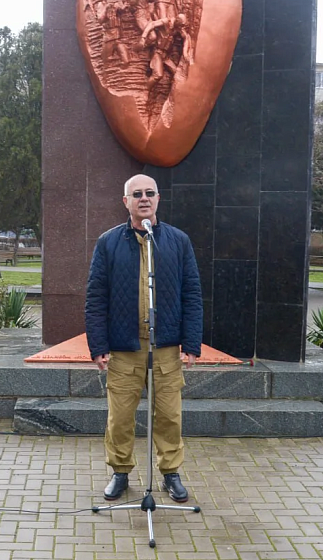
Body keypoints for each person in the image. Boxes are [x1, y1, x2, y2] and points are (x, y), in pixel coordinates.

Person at [85, 174, 202, 503]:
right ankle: (120, 472)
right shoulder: (109, 243)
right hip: (125, 350)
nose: (144, 198)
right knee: (120, 418)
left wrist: (191, 344)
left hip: (165, 349)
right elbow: (96, 298)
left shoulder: (177, 241)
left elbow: (192, 294)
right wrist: (98, 346)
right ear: (126, 202)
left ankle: (171, 474)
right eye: (136, 194)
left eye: (149, 193)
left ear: (158, 199)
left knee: (169, 416)